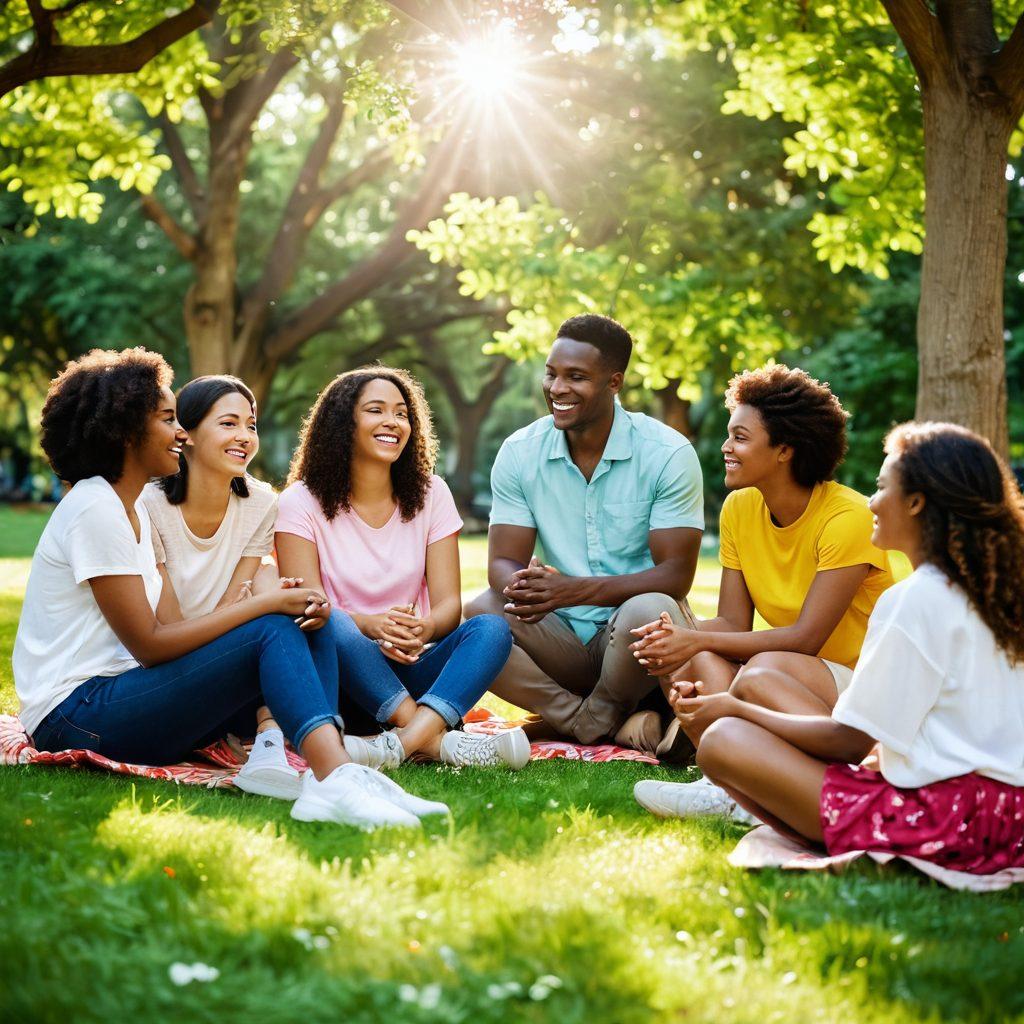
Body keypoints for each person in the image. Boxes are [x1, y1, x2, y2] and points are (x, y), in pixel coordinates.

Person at [13, 349, 444, 830]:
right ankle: (337, 775)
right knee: (273, 624)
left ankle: (331, 777)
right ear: (124, 430)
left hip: (121, 698)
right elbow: (152, 645)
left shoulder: (126, 508)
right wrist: (264, 604)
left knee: (309, 619)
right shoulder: (96, 508)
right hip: (74, 715)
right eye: (167, 419)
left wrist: (278, 604)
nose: (180, 432)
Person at [640, 423, 1024, 879]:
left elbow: (848, 741)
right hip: (1009, 815)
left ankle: (774, 809)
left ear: (917, 503)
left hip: (951, 820)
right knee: (758, 695)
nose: (872, 501)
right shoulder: (995, 593)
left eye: (882, 488)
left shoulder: (914, 600)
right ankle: (781, 802)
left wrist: (731, 708)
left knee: (722, 740)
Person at [631, 365, 895, 792]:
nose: (725, 448)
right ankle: (722, 783)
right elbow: (733, 624)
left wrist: (695, 636)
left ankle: (800, 783)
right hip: (792, 676)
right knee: (690, 653)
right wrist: (676, 638)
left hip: (861, 686)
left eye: (740, 437)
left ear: (784, 450)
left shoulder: (848, 518)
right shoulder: (739, 509)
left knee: (759, 662)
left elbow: (806, 638)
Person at [465, 314, 705, 754]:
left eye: (576, 377)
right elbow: (502, 560)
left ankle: (605, 710)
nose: (557, 388)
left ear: (614, 382)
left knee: (651, 606)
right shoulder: (520, 453)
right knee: (481, 612)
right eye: (552, 373)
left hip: (636, 644)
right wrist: (523, 585)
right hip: (560, 645)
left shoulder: (668, 453)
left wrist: (571, 590)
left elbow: (676, 577)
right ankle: (586, 721)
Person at [275, 366, 525, 769]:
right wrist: (373, 625)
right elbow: (305, 607)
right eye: (376, 410)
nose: (392, 422)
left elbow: (447, 607)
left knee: (492, 627)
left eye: (402, 413)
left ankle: (401, 744)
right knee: (331, 623)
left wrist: (421, 630)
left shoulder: (432, 494)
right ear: (343, 422)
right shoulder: (299, 502)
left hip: (412, 668)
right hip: (342, 681)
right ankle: (434, 741)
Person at [142, 374, 310, 800]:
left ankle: (272, 743)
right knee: (273, 616)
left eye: (251, 425)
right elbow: (169, 627)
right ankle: (279, 738)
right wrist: (262, 604)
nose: (244, 437)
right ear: (189, 434)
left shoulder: (260, 502)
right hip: (160, 667)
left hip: (226, 653)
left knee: (300, 617)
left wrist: (269, 601)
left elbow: (242, 590)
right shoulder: (149, 504)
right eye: (229, 423)